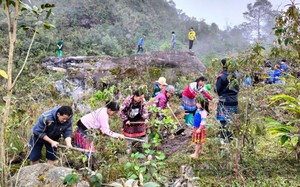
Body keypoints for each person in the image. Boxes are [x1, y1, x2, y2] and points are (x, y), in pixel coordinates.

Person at [216, 59, 239, 143]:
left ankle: (225, 139)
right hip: (235, 100)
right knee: (231, 120)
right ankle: (230, 138)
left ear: (223, 66)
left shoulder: (221, 76)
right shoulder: (236, 75)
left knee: (224, 121)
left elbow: (218, 90)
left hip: (225, 101)